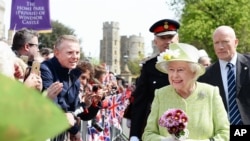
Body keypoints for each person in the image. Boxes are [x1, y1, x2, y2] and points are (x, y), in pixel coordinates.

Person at [142, 42, 229, 141]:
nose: (174, 75)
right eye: (171, 69)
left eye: (180, 70)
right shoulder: (160, 94)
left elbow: (225, 133)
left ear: (194, 72)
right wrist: (165, 140)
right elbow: (148, 135)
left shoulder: (211, 93)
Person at [40, 35, 102, 141]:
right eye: (70, 53)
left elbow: (76, 111)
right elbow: (55, 106)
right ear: (56, 52)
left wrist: (91, 104)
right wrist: (74, 130)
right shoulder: (46, 69)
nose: (75, 57)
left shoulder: (74, 74)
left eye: (77, 53)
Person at [129, 19, 180, 141]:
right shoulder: (149, 67)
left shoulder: (188, 63)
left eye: (170, 37)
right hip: (157, 127)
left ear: (177, 39)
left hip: (185, 123)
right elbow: (140, 101)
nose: (167, 41)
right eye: (163, 38)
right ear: (155, 42)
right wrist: (135, 134)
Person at [198, 25, 250, 125]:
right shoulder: (205, 75)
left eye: (225, 42)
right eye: (216, 43)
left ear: (236, 42)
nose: (220, 47)